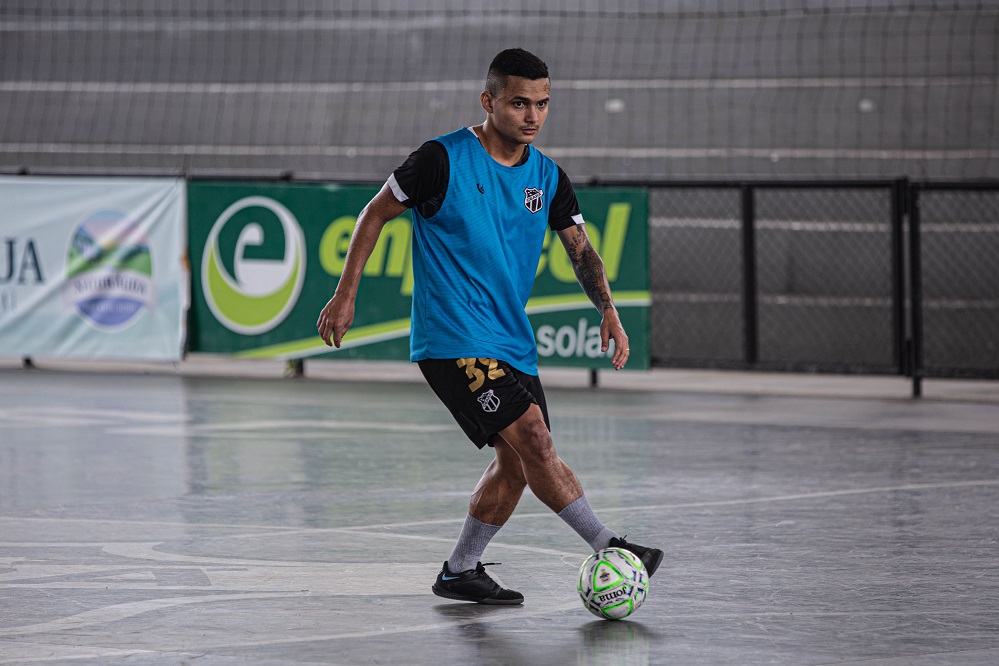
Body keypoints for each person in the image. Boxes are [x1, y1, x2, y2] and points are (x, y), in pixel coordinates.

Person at [317, 48, 662, 605]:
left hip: (511, 341)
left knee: (520, 465)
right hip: (452, 338)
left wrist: (609, 310)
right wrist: (345, 293)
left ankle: (460, 570)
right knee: (534, 438)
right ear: (489, 101)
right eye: (519, 102)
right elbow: (374, 212)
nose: (532, 115)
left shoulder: (548, 177)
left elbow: (581, 251)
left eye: (543, 104)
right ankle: (613, 548)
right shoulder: (441, 159)